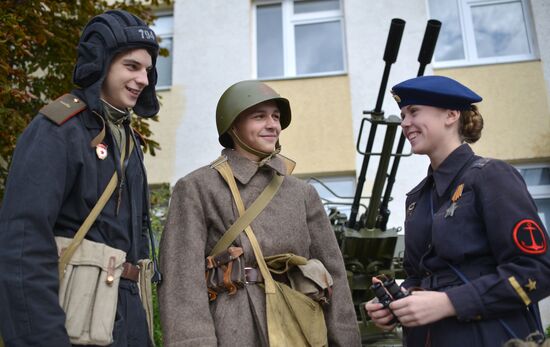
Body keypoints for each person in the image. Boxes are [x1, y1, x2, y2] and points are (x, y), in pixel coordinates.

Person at [0, 9, 160, 347]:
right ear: (99, 64)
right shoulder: (58, 129)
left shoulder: (129, 141)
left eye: (147, 69)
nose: (144, 79)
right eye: (131, 66)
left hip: (125, 325)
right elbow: (23, 244)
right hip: (68, 329)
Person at [158, 80, 361, 346]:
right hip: (233, 327)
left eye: (276, 117)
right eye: (259, 116)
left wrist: (345, 341)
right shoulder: (197, 187)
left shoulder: (301, 193)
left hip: (298, 326)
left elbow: (333, 274)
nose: (272, 125)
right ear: (233, 125)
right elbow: (182, 281)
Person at [365, 75, 550, 346]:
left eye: (414, 112)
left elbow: (537, 269)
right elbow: (421, 276)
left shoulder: (491, 176)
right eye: (403, 115)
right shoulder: (417, 197)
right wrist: (397, 301)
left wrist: (451, 303)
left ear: (451, 115)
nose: (405, 123)